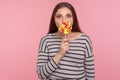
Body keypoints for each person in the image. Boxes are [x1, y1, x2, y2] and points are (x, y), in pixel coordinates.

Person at [37, 2, 95, 80]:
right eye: (59, 16)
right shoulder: (46, 41)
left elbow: (90, 74)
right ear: (54, 20)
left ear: (73, 19)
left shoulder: (84, 40)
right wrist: (60, 54)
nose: (64, 20)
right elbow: (41, 74)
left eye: (68, 16)